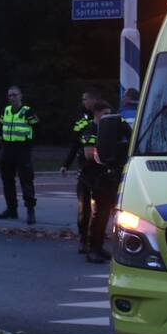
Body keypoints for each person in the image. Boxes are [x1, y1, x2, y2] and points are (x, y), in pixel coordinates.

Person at [80, 101, 127, 264]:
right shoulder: (91, 130)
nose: (108, 117)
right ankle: (93, 249)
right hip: (95, 178)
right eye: (105, 114)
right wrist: (107, 156)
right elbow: (88, 154)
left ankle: (99, 247)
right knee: (99, 214)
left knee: (106, 213)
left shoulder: (110, 131)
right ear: (97, 114)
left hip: (107, 177)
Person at [60, 88, 100, 253]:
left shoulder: (103, 118)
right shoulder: (81, 121)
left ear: (93, 100)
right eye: (83, 99)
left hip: (101, 169)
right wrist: (66, 164)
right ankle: (84, 239)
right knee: (84, 208)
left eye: (86, 99)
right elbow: (75, 144)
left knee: (102, 208)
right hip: (85, 168)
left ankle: (96, 239)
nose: (83, 102)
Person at [0, 85, 39, 225]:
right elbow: (0, 130)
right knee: (7, 181)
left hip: (22, 151)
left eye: (15, 95)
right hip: (7, 150)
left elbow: (37, 128)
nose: (12, 97)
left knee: (26, 181)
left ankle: (30, 211)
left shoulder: (27, 111)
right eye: (10, 95)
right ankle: (11, 209)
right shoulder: (6, 111)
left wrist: (30, 146)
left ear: (21, 96)